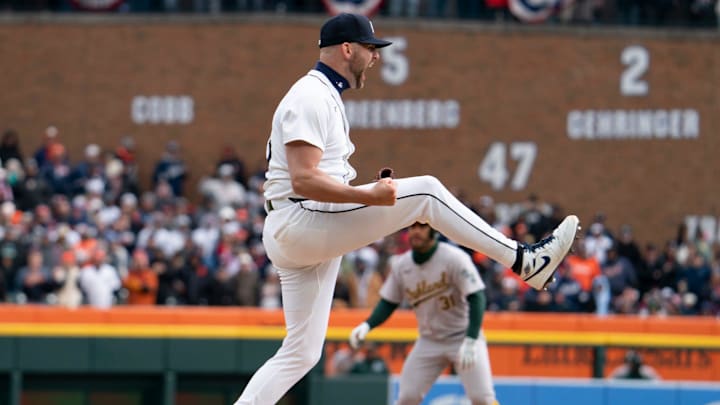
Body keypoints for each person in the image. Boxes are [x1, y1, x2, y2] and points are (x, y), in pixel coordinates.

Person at [233, 13, 579, 405]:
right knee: (427, 193)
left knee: (301, 353)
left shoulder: (324, 94)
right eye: (370, 49)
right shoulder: (310, 95)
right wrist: (371, 197)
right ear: (347, 49)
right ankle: (524, 260)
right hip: (300, 218)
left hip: (299, 226)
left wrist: (369, 194)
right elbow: (304, 179)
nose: (376, 57)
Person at [350, 223, 497, 405]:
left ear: (433, 231)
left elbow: (477, 296)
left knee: (482, 398)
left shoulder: (454, 258)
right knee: (406, 398)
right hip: (429, 340)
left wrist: (472, 338)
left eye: (422, 227)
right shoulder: (402, 265)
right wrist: (368, 324)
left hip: (462, 336)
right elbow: (389, 302)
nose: (416, 232)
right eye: (412, 228)